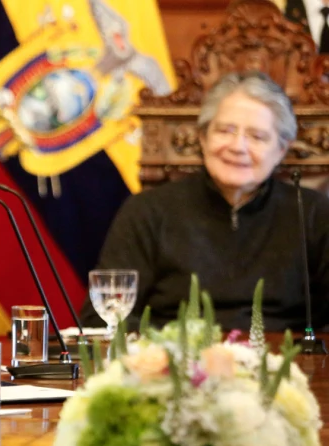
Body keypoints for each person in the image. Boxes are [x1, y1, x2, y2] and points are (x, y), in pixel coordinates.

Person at [80, 71, 329, 332]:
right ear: (203, 137)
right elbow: (102, 318)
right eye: (225, 131)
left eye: (257, 136)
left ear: (281, 149)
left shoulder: (312, 213)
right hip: (176, 352)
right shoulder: (147, 211)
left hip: (283, 353)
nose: (238, 147)